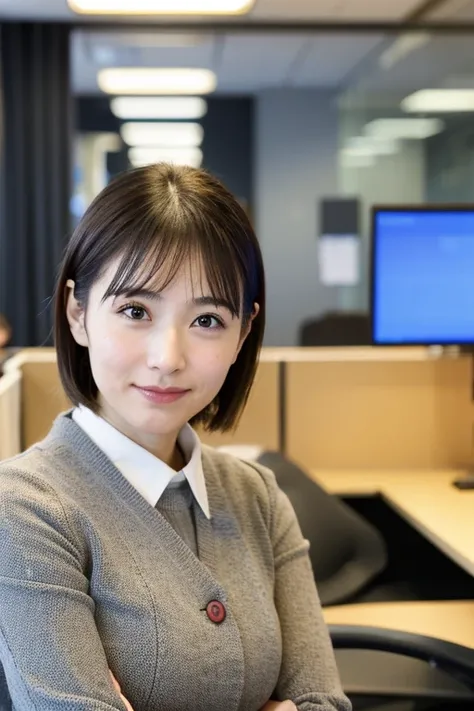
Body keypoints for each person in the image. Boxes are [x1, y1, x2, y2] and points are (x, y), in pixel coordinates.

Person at [0, 163, 351, 711]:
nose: (168, 358)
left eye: (207, 319)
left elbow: (325, 703)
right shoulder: (26, 510)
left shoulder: (258, 496)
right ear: (78, 313)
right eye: (135, 310)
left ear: (243, 333)